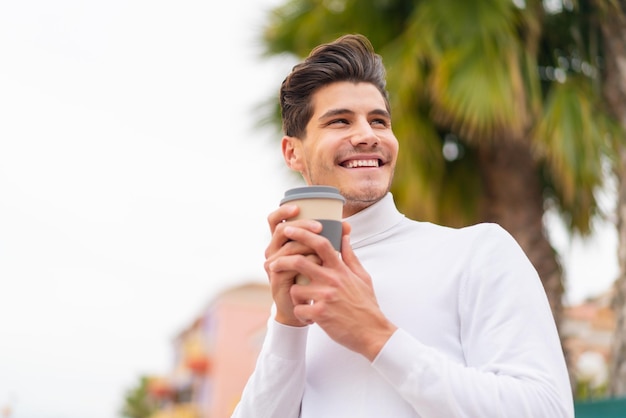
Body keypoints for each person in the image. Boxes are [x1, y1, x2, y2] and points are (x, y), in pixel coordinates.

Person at [232, 34, 574, 417]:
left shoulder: (478, 252)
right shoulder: (300, 295)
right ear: (292, 152)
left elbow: (547, 410)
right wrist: (287, 323)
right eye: (340, 121)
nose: (367, 135)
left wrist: (375, 335)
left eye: (378, 121)